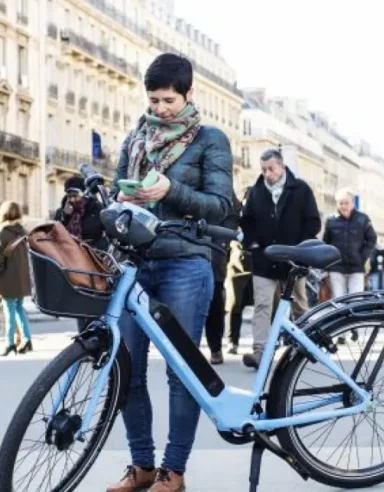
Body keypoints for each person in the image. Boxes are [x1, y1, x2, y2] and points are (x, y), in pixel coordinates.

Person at [106, 53, 233, 492]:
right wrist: (123, 197)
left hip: (185, 262)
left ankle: (173, 470)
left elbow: (221, 206)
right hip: (135, 263)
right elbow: (118, 186)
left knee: (181, 371)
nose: (159, 109)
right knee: (128, 368)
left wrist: (170, 190)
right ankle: (141, 464)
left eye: (168, 100)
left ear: (188, 94)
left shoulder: (210, 140)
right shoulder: (136, 138)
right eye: (154, 100)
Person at [239, 148, 321, 369]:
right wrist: (253, 244)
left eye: (271, 169)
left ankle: (305, 345)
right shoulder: (256, 191)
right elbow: (246, 222)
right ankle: (260, 352)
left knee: (299, 306)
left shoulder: (301, 189)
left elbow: (313, 222)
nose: (267, 173)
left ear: (282, 167)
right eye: (263, 169)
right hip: (264, 260)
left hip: (294, 259)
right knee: (263, 306)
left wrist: (301, 248)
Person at [54, 175, 109, 332]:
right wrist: (65, 216)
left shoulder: (96, 209)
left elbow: (105, 232)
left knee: (95, 301)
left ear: (84, 193)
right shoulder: (62, 212)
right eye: (69, 195)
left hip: (94, 261)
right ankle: (85, 338)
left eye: (75, 195)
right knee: (81, 303)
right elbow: (56, 234)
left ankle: (99, 335)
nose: (72, 199)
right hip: (73, 263)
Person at [322, 188, 377, 343]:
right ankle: (340, 334)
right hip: (336, 267)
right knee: (338, 300)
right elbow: (325, 243)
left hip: (356, 267)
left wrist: (363, 257)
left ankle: (355, 329)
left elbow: (371, 239)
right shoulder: (331, 220)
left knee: (355, 299)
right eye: (340, 203)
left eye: (346, 203)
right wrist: (325, 267)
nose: (343, 206)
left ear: (352, 203)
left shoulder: (363, 219)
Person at [0, 201, 34, 356]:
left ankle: (10, 343)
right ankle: (27, 340)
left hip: (7, 278)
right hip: (21, 279)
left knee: (9, 311)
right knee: (19, 309)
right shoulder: (22, 232)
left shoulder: (2, 231)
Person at [204, 189, 242, 364]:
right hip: (186, 241)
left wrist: (223, 239)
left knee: (214, 301)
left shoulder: (220, 179)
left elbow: (234, 211)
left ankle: (215, 347)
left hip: (214, 248)